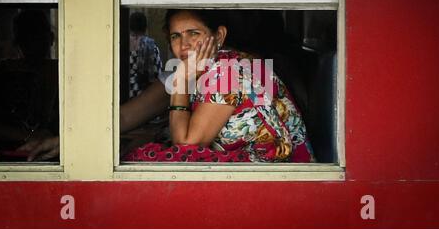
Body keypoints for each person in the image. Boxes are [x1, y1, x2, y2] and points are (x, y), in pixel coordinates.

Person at [124, 9, 314, 163]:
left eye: (194, 33)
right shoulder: (202, 71)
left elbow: (186, 147)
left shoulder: (229, 69)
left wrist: (181, 82)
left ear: (219, 36)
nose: (184, 45)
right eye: (175, 36)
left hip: (283, 178)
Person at [0, 9, 59, 161]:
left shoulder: (63, 71)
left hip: (53, 150)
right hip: (10, 153)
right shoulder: (4, 72)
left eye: (38, 36)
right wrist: (30, 135)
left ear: (50, 38)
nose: (34, 43)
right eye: (28, 37)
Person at [128, 11, 163, 98]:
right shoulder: (151, 46)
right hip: (144, 97)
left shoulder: (120, 44)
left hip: (124, 93)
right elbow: (157, 75)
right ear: (145, 27)